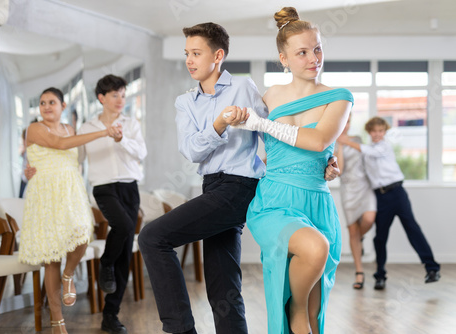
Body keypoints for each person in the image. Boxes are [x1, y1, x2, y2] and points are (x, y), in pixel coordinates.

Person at [138, 22, 339, 334]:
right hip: (212, 187)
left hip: (240, 186)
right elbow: (191, 151)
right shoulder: (185, 102)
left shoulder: (244, 87)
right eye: (187, 53)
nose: (190, 60)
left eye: (196, 53)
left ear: (218, 55)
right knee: (223, 285)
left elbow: (275, 129)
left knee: (152, 237)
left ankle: (180, 330)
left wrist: (324, 159)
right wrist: (218, 124)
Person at [232, 7, 353, 334]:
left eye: (317, 48)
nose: (314, 58)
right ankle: (292, 306)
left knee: (314, 319)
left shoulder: (339, 98)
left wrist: (329, 164)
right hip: (274, 201)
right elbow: (261, 154)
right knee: (315, 252)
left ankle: (297, 312)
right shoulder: (268, 97)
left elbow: (317, 141)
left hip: (315, 203)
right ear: (283, 59)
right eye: (302, 52)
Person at [18, 87, 122, 334]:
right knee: (51, 257)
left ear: (63, 106)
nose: (46, 106)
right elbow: (60, 145)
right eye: (42, 103)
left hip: (70, 193)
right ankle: (57, 322)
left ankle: (69, 274)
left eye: (52, 102)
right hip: (44, 196)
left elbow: (74, 157)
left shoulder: (71, 129)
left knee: (83, 234)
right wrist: (104, 132)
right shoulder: (34, 128)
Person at [78, 74, 147, 334]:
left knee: (125, 242)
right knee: (125, 226)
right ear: (101, 98)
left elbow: (142, 153)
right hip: (103, 188)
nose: (120, 100)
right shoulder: (87, 127)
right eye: (115, 95)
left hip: (129, 186)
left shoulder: (130, 124)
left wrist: (122, 140)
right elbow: (77, 159)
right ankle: (105, 263)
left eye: (123, 95)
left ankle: (110, 315)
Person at [338, 116, 441, 290]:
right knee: (380, 237)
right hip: (380, 197)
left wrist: (345, 141)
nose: (377, 134)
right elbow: (360, 164)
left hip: (397, 193)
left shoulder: (383, 147)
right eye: (374, 131)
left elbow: (369, 152)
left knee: (412, 229)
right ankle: (380, 276)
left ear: (385, 132)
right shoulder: (366, 149)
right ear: (369, 132)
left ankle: (432, 268)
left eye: (381, 131)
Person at [335, 116, 376, 289]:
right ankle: (359, 272)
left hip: (364, 187)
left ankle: (359, 239)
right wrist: (341, 144)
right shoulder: (332, 142)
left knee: (369, 219)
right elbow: (340, 170)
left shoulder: (358, 139)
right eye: (343, 122)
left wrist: (347, 141)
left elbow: (368, 159)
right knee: (352, 231)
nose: (347, 125)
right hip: (348, 190)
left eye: (349, 121)